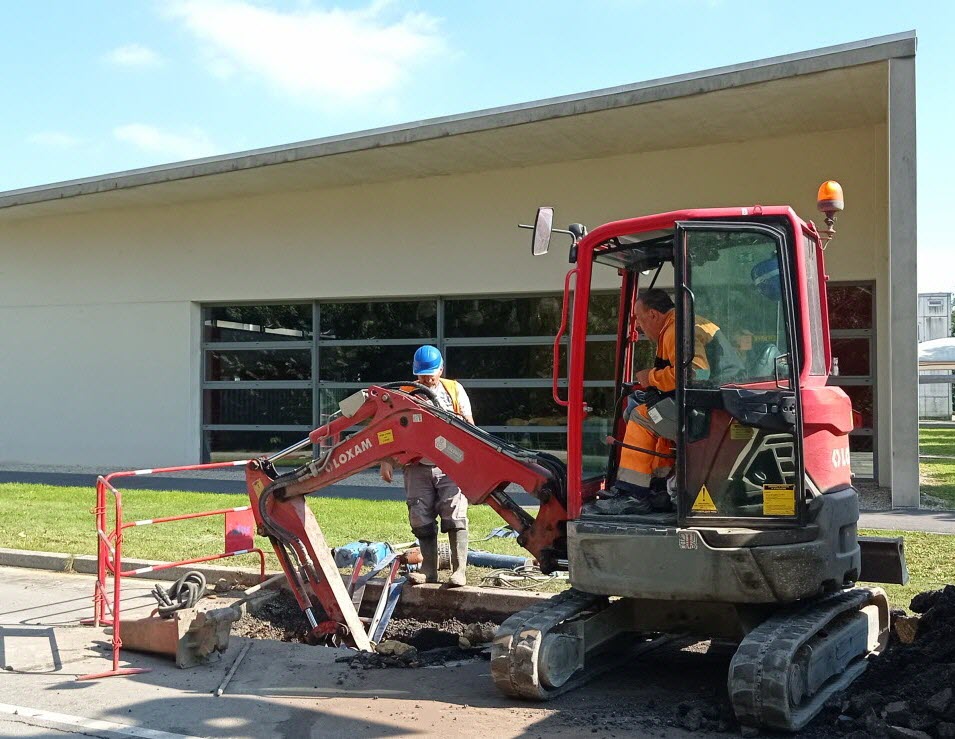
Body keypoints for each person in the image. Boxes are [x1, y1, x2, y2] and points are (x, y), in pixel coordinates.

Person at [379, 345, 474, 587]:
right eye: (422, 376)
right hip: (416, 464)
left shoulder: (454, 390)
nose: (426, 380)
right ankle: (429, 571)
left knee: (455, 514)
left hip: (451, 464)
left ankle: (459, 570)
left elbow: (470, 426)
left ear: (441, 370)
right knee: (420, 515)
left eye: (430, 375)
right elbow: (389, 429)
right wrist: (386, 461)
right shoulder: (405, 393)